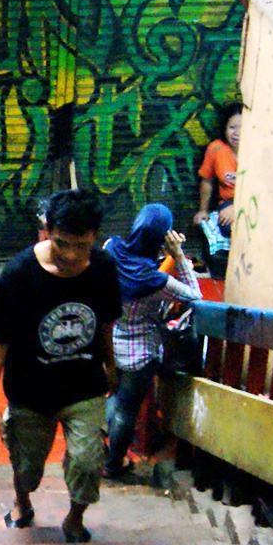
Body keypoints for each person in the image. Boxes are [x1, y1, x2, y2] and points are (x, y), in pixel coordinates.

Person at [0, 189, 122, 544]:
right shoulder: (20, 273)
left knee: (88, 462)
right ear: (46, 231)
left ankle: (75, 518)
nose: (71, 255)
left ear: (95, 237)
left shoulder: (104, 268)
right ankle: (22, 502)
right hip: (30, 392)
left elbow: (105, 323)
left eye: (82, 246)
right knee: (26, 466)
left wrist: (111, 365)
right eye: (62, 243)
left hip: (84, 386)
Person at [101, 204, 203, 483]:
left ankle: (104, 443)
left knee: (113, 397)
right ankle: (113, 464)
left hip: (110, 344)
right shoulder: (155, 280)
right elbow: (195, 296)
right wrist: (178, 255)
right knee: (126, 411)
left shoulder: (111, 248)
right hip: (141, 354)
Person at [194, 101, 242, 277]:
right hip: (227, 201)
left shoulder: (257, 150)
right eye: (232, 127)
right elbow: (207, 180)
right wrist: (203, 210)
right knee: (228, 226)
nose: (236, 133)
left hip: (252, 203)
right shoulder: (216, 149)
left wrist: (238, 207)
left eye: (242, 128)